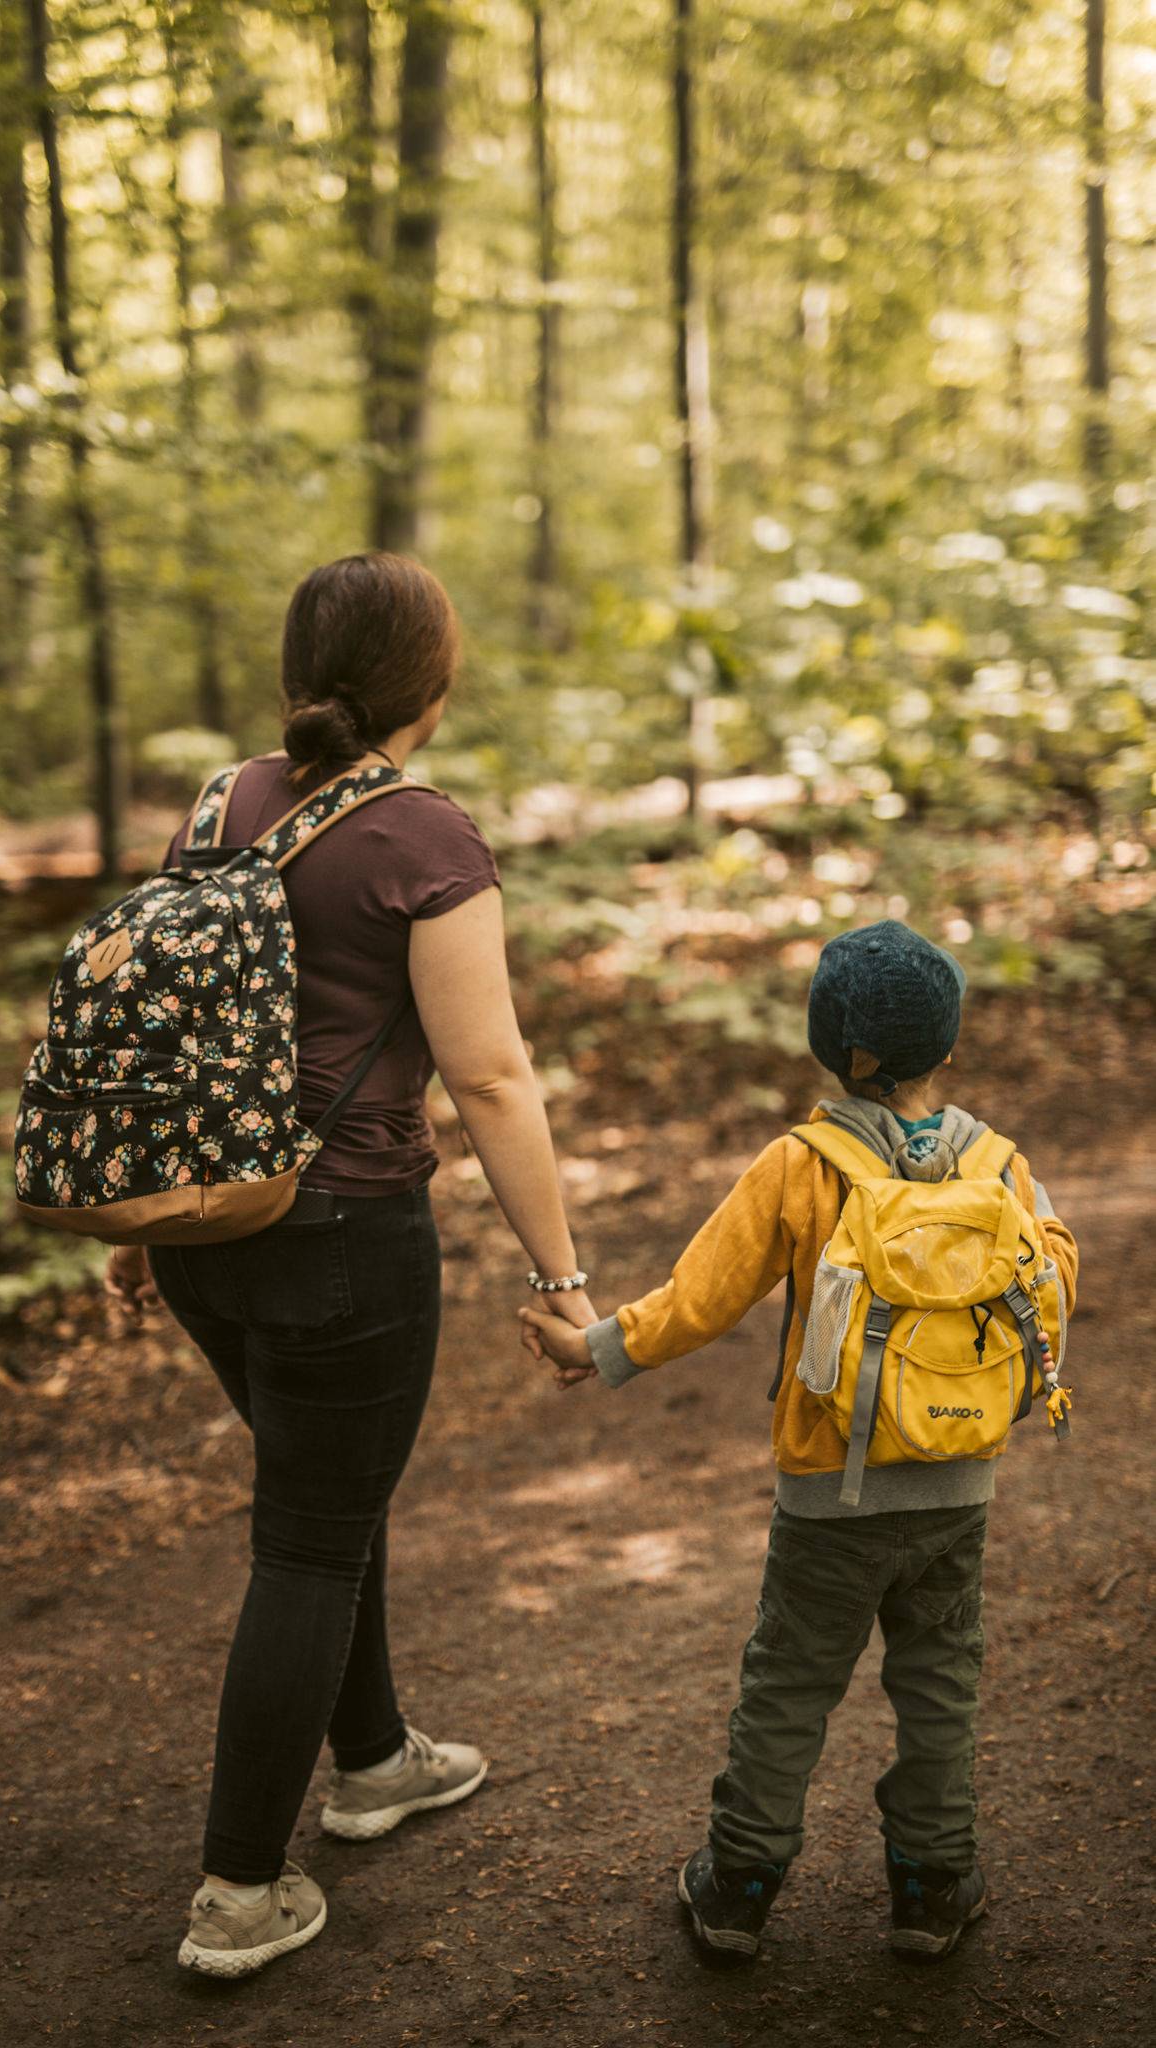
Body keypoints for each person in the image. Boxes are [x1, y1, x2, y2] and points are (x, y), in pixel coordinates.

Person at [107, 552, 595, 1978]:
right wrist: (561, 1275)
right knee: (311, 1538)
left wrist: (136, 1225)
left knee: (326, 1492)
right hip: (340, 1237)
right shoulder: (422, 836)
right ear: (430, 686)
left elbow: (166, 1032)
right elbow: (489, 1077)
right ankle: (238, 1890)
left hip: (204, 1224)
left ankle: (376, 1758)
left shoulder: (220, 803)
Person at [521, 921, 1078, 1963]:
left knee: (787, 1688)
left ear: (832, 1048)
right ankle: (932, 1886)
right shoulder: (1003, 1166)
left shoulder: (801, 1164)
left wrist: (596, 1348)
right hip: (958, 1483)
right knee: (940, 1683)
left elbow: (700, 1295)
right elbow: (1053, 1281)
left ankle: (738, 1885)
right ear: (947, 1044)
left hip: (832, 1491)